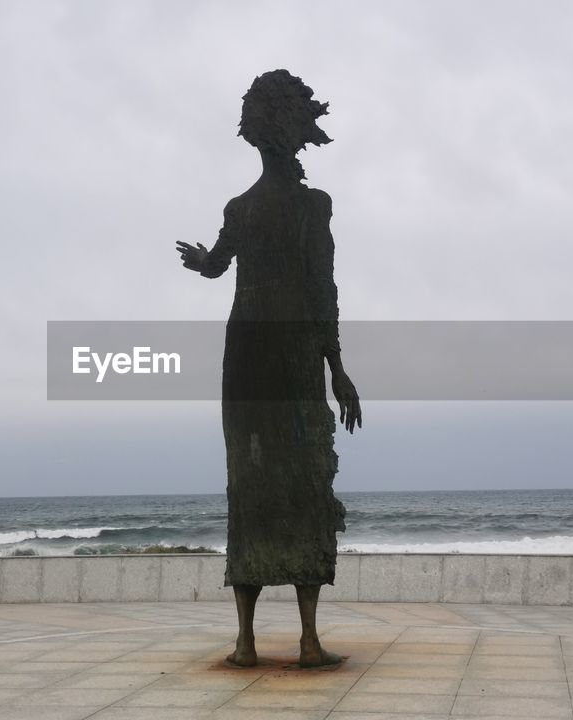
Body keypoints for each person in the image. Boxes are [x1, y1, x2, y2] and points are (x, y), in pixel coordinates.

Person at [176, 69, 361, 668]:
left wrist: (205, 260)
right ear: (294, 134)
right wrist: (338, 367)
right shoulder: (312, 205)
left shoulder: (241, 208)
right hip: (289, 352)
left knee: (251, 485)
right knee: (302, 480)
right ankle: (305, 641)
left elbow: (216, 268)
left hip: (247, 354)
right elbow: (321, 288)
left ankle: (246, 643)